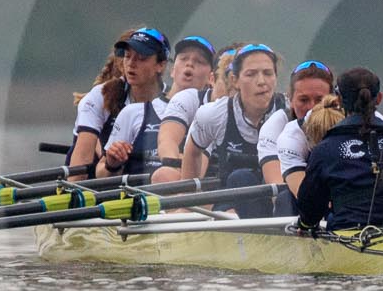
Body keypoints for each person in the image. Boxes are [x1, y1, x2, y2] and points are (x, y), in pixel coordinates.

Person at [295, 67, 383, 232]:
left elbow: (309, 212)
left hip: (349, 235)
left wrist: (304, 226)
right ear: (379, 98)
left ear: (339, 100)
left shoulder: (325, 150)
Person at [181, 44, 284, 208]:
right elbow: (192, 152)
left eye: (268, 73)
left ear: (276, 78)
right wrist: (188, 201)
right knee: (240, 178)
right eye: (251, 74)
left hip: (278, 205)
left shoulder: (289, 112)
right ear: (235, 80)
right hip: (230, 204)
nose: (261, 81)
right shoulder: (214, 114)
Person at [78, 27, 171, 179]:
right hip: (113, 186)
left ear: (161, 65)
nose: (131, 64)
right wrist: (112, 163)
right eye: (127, 56)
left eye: (141, 58)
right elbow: (92, 169)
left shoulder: (176, 101)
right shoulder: (103, 95)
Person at [149, 35, 218, 182]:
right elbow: (167, 141)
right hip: (150, 184)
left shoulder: (214, 112)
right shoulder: (136, 111)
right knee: (164, 175)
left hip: (195, 186)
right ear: (172, 70)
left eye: (199, 61)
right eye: (184, 58)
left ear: (211, 78)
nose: (190, 64)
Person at [257, 60, 335, 191]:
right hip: (291, 194)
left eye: (320, 100)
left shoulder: (344, 120)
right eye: (304, 100)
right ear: (290, 100)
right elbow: (276, 182)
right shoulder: (277, 123)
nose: (311, 108)